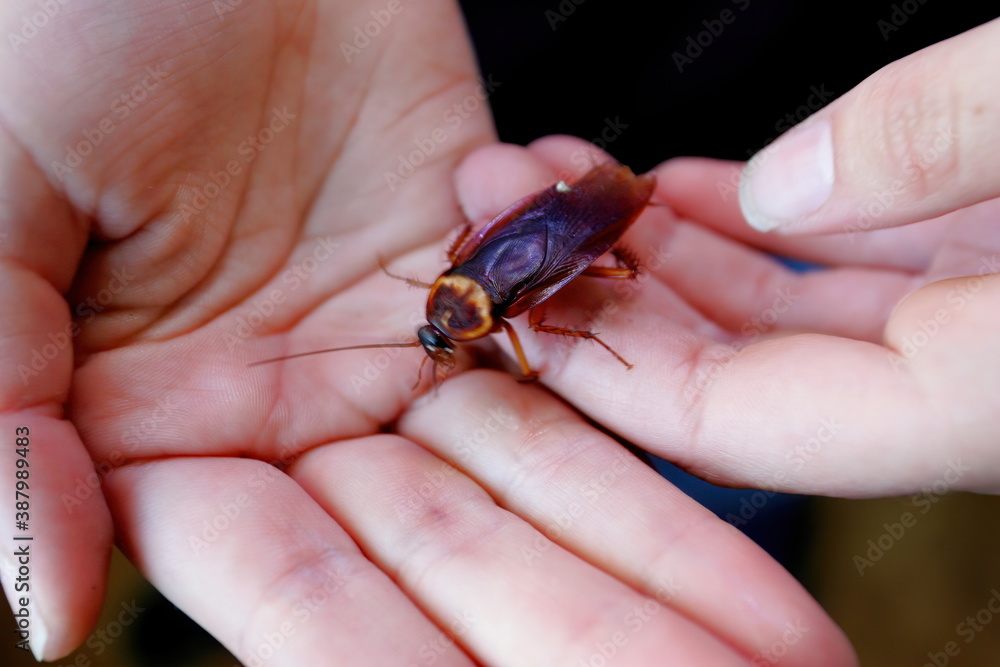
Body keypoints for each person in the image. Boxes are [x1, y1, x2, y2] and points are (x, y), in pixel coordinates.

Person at [0, 0, 994, 663]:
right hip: (502, 106)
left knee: (721, 462)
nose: (437, 338)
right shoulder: (470, 291)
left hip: (821, 155)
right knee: (692, 464)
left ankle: (750, 529)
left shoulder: (484, 310)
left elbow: (521, 290)